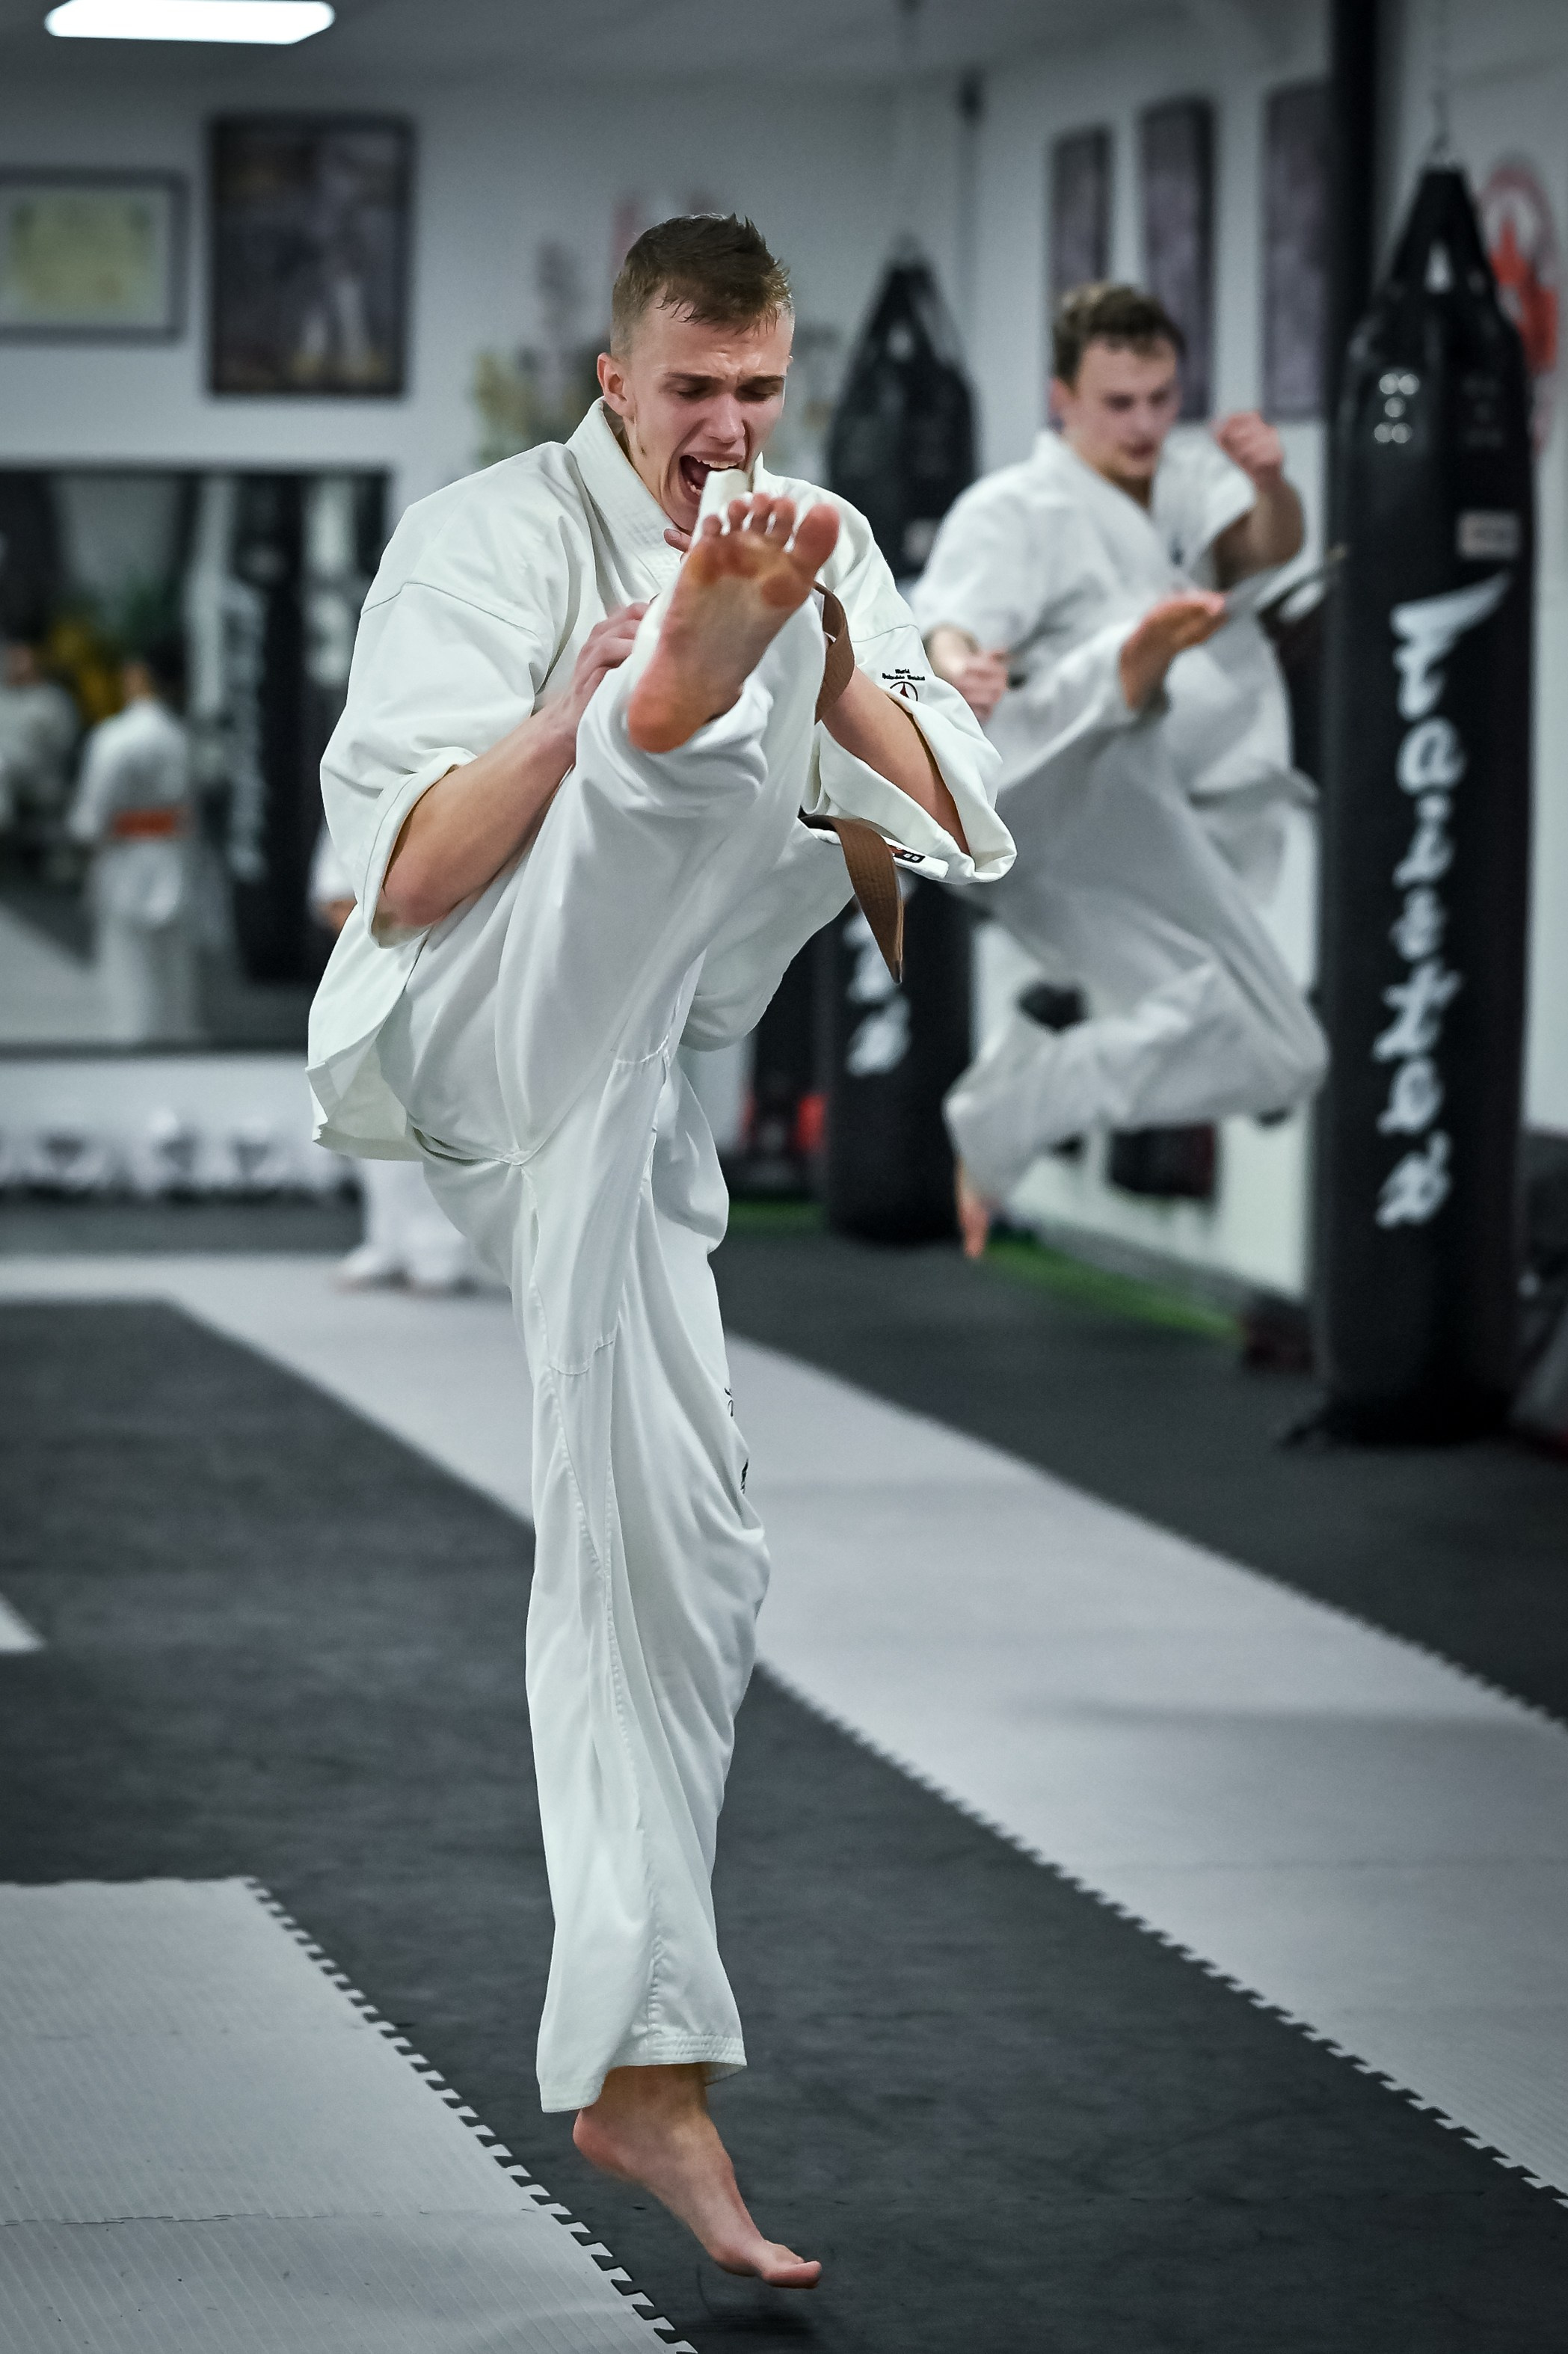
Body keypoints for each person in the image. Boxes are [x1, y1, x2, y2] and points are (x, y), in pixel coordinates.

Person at [307, 215, 1011, 2285]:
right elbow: (404, 873)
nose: (727, 427)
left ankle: (643, 2069)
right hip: (464, 1017)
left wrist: (853, 663)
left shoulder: (814, 528)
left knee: (681, 1560)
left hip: (626, 1093)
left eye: (757, 393)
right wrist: (604, 698)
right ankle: (664, 716)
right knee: (679, 760)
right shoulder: (476, 540)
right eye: (691, 389)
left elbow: (959, 826)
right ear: (615, 379)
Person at [911, 281, 1327, 1256]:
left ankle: (1016, 1104)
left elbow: (1263, 545)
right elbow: (951, 617)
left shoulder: (1182, 480)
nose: (1143, 423)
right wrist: (954, 662)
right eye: (1117, 403)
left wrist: (1271, 486)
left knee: (1284, 1052)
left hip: (1144, 824)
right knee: (1100, 688)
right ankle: (1131, 662)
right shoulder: (1017, 508)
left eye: (1158, 398)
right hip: (1043, 791)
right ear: (1063, 397)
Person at [308, 823, 487, 1292]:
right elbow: (333, 895)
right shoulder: (360, 774)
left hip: (454, 959)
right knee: (371, 1100)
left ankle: (442, 1250)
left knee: (437, 1106)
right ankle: (387, 1241)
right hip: (377, 960)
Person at [67, 639, 201, 1045]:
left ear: (139, 677)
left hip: (126, 864)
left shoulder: (116, 737)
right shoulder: (180, 736)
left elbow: (90, 820)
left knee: (129, 983)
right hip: (173, 861)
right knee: (175, 986)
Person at [0, 639, 79, 859]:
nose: (15, 667)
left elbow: (64, 744)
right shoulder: (3, 698)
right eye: (12, 661)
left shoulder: (52, 700)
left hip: (43, 772)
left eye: (21, 661)